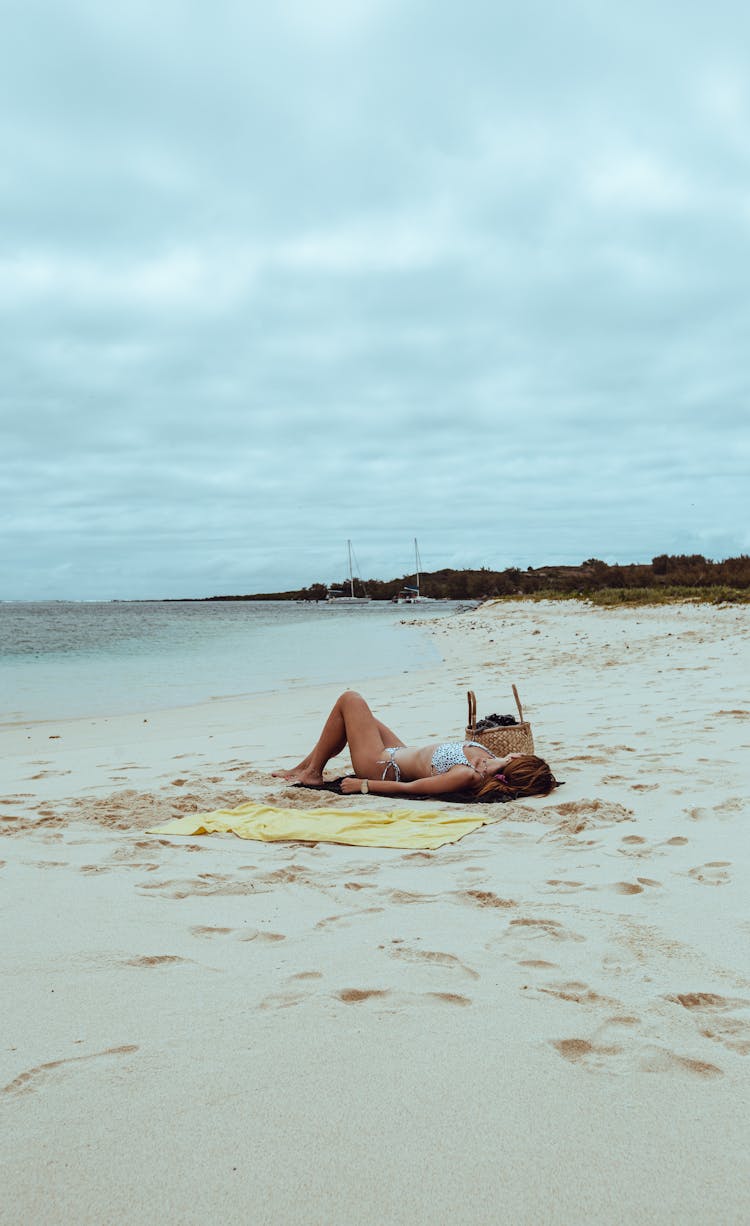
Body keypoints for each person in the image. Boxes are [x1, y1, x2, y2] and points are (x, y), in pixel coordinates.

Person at [273, 690, 558, 802]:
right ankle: (304, 767)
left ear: (518, 760)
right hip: (400, 753)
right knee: (359, 719)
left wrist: (362, 785)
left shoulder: (469, 774)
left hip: (384, 766)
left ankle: (311, 773)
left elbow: (411, 790)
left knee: (351, 700)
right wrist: (504, 760)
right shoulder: (490, 760)